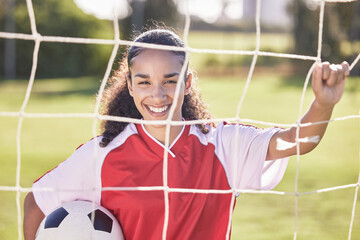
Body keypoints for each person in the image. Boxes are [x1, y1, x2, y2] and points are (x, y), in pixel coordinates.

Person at [23, 28, 350, 240]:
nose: (157, 95)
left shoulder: (224, 146)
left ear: (188, 83)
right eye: (144, 81)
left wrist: (323, 103)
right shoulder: (101, 156)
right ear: (130, 86)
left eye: (170, 80)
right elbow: (36, 203)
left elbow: (299, 140)